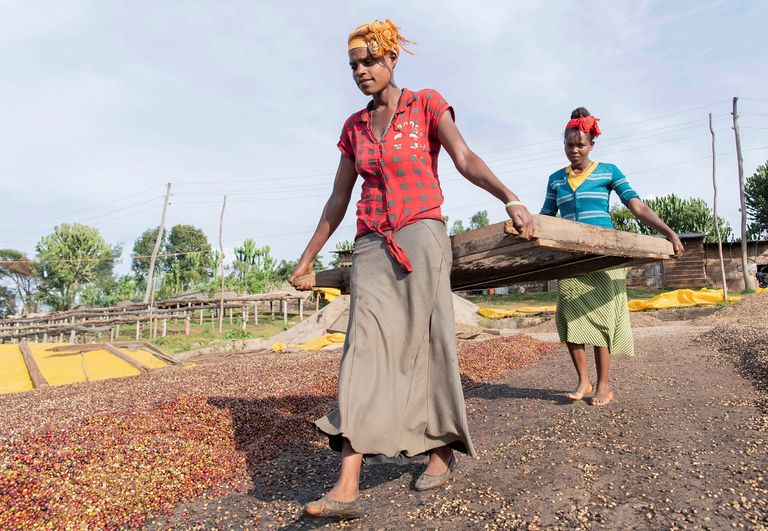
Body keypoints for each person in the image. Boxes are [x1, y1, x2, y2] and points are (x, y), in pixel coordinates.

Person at [288, 19, 534, 518]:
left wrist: (510, 198)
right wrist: (309, 255)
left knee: (428, 343)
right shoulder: (353, 128)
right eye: (353, 64)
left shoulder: (425, 103)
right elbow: (339, 198)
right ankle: (348, 483)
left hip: (421, 236)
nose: (361, 71)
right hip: (372, 245)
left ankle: (439, 451)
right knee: (362, 349)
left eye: (369, 61)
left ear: (392, 59)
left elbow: (463, 157)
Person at [540, 107, 685, 406]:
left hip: (606, 256)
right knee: (570, 319)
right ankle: (583, 380)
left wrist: (668, 232)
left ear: (592, 144)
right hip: (570, 260)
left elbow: (636, 206)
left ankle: (604, 385)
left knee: (604, 320)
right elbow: (545, 217)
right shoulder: (556, 178)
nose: (574, 150)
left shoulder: (609, 171)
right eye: (569, 145)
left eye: (580, 145)